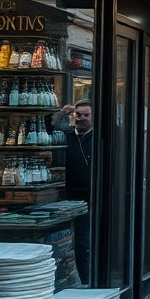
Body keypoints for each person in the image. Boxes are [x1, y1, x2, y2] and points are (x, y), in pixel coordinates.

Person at [54, 99, 93, 284]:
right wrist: (61, 113)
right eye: (78, 115)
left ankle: (87, 280)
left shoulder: (98, 138)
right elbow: (46, 130)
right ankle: (79, 280)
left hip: (92, 198)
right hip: (68, 198)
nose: (82, 119)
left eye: (86, 115)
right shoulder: (67, 135)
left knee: (85, 243)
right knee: (72, 243)